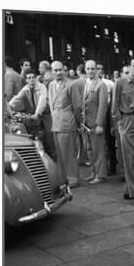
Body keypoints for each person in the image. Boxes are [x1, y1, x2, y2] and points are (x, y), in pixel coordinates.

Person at [111, 56, 134, 207]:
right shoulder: (120, 83)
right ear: (129, 66)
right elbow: (114, 106)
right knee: (130, 158)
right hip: (126, 120)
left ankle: (129, 189)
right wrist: (120, 122)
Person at [48, 60, 82, 188]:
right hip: (56, 123)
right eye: (55, 70)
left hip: (68, 123)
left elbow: (77, 106)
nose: (58, 72)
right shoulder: (51, 85)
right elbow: (51, 102)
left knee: (68, 154)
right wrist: (53, 116)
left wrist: (77, 123)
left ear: (64, 70)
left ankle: (73, 179)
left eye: (60, 70)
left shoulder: (71, 84)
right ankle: (63, 179)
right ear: (52, 71)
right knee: (60, 154)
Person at [82, 60, 109, 184]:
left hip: (95, 123)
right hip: (86, 123)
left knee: (98, 150)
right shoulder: (86, 83)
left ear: (97, 70)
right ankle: (93, 172)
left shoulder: (101, 85)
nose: (90, 71)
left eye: (93, 68)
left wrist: (99, 124)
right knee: (90, 150)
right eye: (88, 69)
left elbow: (103, 107)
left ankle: (101, 174)